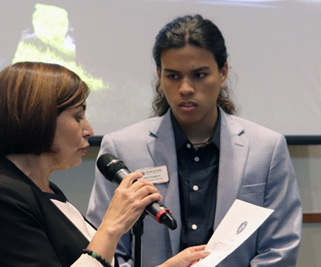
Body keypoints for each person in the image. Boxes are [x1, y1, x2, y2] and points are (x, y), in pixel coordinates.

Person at [87, 14, 302, 267]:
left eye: (199, 75)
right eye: (173, 76)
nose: (186, 88)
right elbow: (105, 250)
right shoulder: (122, 149)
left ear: (223, 72)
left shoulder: (267, 148)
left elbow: (280, 249)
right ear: (159, 75)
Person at [0, 61, 210, 267]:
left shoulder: (46, 192)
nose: (88, 129)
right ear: (39, 118)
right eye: (78, 117)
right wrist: (112, 227)